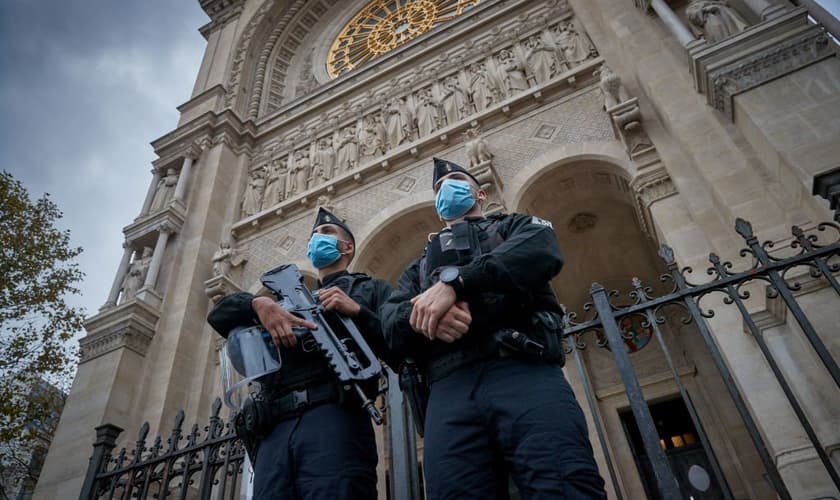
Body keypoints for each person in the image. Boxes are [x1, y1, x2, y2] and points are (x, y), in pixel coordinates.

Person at [381, 158, 607, 499]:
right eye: (440, 188)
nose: (447, 188)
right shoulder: (419, 266)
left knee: (563, 481)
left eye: (457, 180)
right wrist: (429, 318)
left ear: (481, 194)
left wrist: (455, 284)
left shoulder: (513, 226)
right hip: (448, 387)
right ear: (438, 209)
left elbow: (541, 249)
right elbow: (390, 319)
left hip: (522, 369)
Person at [207, 207, 396, 499]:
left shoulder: (369, 289)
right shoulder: (284, 300)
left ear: (347, 247)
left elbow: (399, 342)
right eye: (313, 236)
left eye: (326, 232)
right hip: (275, 429)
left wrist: (357, 311)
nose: (317, 239)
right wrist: (258, 305)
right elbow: (219, 315)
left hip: (335, 417)